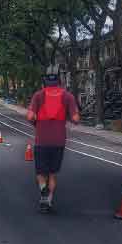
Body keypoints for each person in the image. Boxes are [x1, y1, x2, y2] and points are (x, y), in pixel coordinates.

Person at [26, 74, 79, 213]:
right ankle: (48, 201)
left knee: (40, 172)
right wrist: (70, 117)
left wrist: (35, 123)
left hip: (42, 140)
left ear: (44, 85)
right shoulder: (68, 96)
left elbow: (30, 116)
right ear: (59, 84)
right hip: (59, 141)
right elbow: (76, 118)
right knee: (52, 173)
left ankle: (43, 189)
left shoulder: (38, 95)